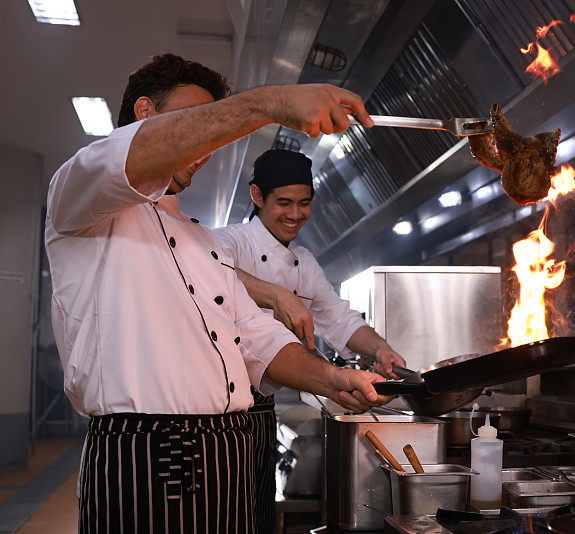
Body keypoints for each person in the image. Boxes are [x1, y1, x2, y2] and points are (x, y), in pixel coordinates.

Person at [45, 53, 389, 533]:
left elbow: (254, 338)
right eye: (196, 122)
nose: (207, 146)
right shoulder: (81, 196)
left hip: (229, 451)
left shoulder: (203, 241)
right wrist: (270, 103)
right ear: (144, 114)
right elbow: (132, 156)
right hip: (147, 455)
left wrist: (332, 379)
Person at [212, 149, 407, 531]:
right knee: (227, 518)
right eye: (283, 202)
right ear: (256, 197)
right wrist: (275, 294)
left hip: (262, 410)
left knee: (257, 516)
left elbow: (339, 319)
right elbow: (210, 271)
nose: (295, 214)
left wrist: (380, 349)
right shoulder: (228, 242)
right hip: (219, 413)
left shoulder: (304, 262)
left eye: (304, 203)